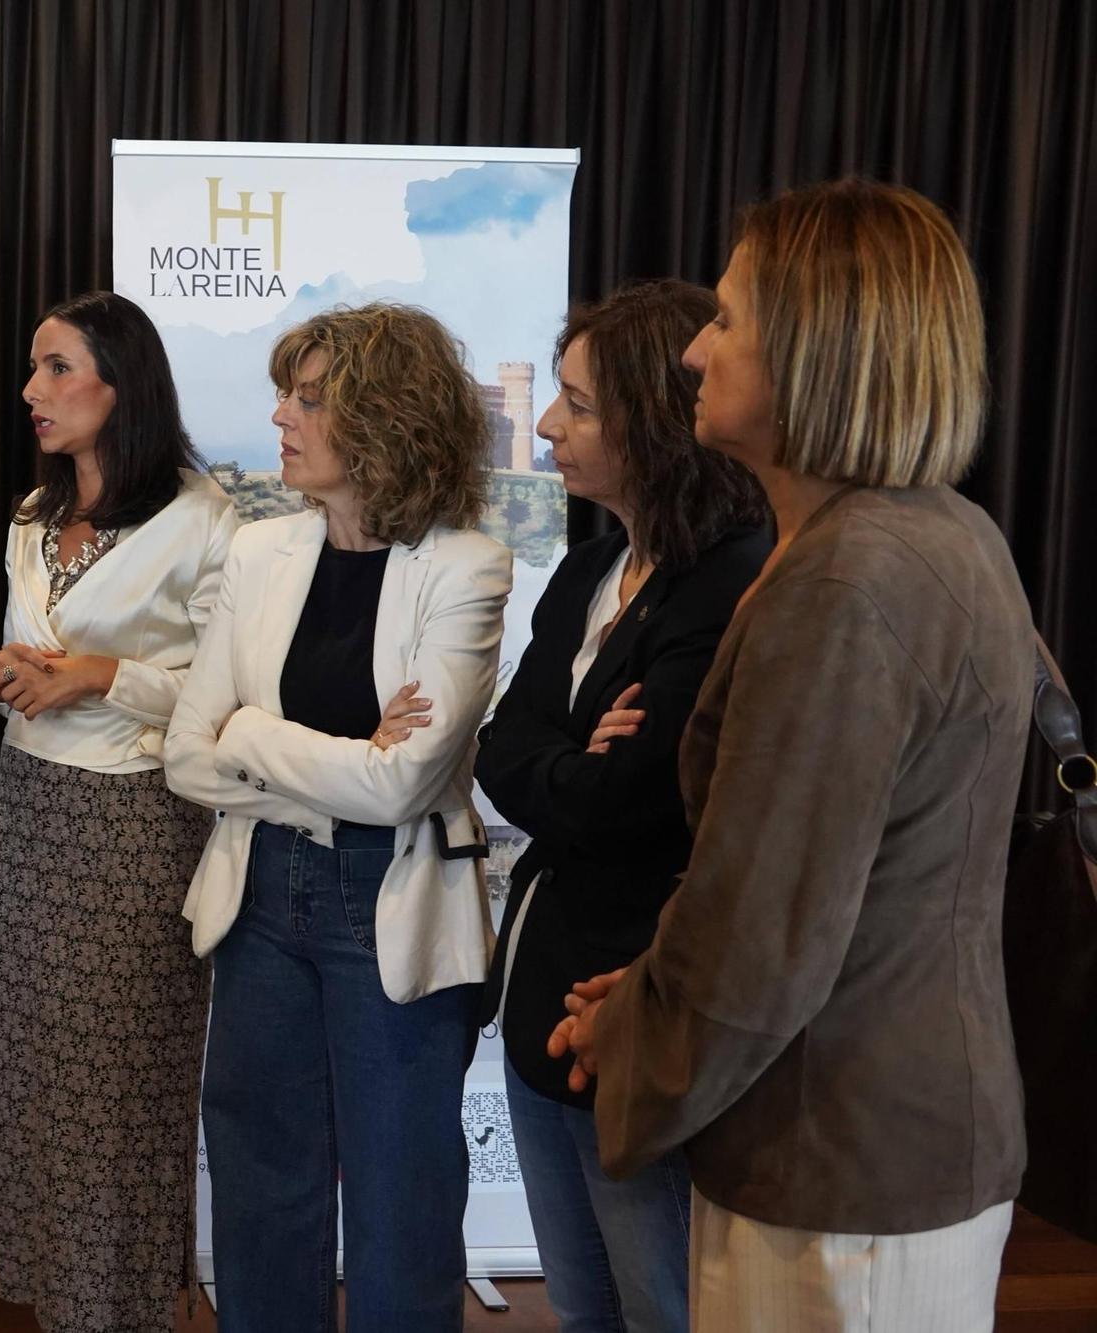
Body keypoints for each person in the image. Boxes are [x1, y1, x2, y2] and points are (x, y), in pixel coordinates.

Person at [551, 180, 1033, 1332]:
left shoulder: (846, 582)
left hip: (838, 1162)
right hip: (874, 1131)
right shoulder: (934, 532)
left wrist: (631, 1033)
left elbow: (763, 935)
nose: (693, 352)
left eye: (724, 320)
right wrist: (656, 988)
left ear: (813, 354)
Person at [166, 302, 512, 1332]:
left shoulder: (466, 565)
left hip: (391, 900)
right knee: (260, 1190)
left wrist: (250, 733)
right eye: (286, 393)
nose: (281, 415)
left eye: (310, 399)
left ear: (387, 420)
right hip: (261, 895)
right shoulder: (259, 551)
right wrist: (342, 755)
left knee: (402, 1202)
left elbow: (399, 788)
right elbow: (188, 753)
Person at [473, 281, 770, 1333]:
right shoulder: (590, 567)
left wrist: (556, 766)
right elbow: (500, 748)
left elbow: (627, 799)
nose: (548, 426)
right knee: (580, 1306)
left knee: (660, 1309)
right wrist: (566, 760)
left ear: (653, 420)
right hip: (540, 1006)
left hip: (637, 1009)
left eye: (580, 404)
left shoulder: (733, 582)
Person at [0, 290, 238, 1333]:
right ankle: (62, 1304)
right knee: (32, 1077)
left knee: (121, 1088)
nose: (31, 390)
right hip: (25, 814)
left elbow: (225, 696)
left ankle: (122, 1308)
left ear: (120, 384)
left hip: (134, 825)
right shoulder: (32, 514)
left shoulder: (203, 519)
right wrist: (11, 671)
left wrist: (99, 676)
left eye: (56, 368)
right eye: (33, 367)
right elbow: (34, 654)